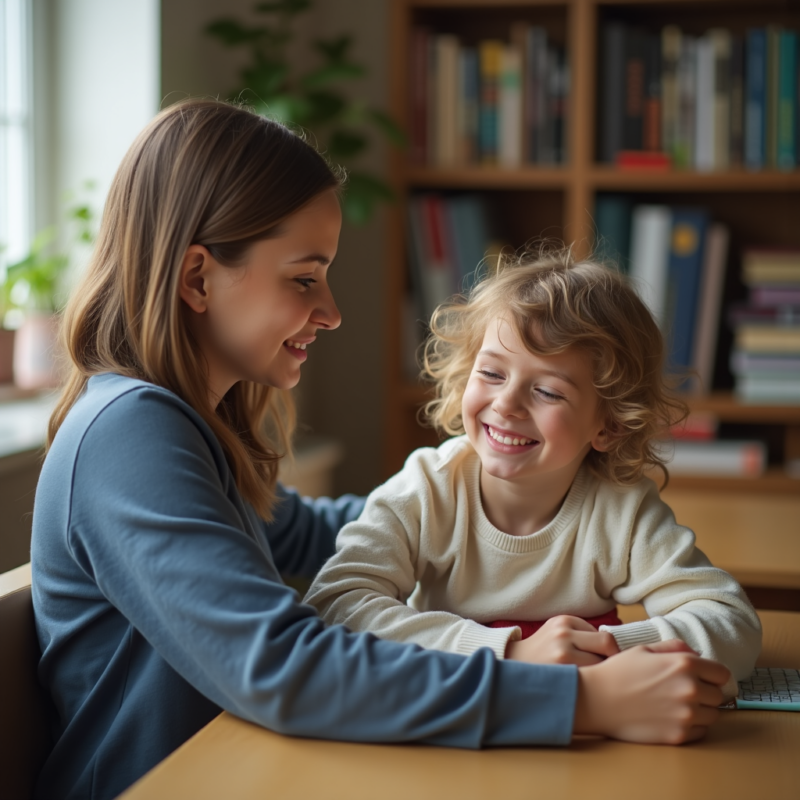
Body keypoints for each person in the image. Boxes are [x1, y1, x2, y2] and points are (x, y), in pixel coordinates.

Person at [32, 100, 731, 800]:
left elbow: (307, 534)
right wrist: (581, 699)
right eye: (304, 278)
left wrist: (492, 508)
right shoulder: (129, 434)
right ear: (197, 278)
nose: (332, 311)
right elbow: (279, 668)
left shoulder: (176, 426)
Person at [306, 247, 761, 697]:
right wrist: (508, 653)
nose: (506, 404)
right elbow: (335, 605)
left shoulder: (620, 509)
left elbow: (731, 624)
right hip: (451, 721)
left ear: (610, 424)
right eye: (491, 373)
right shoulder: (428, 487)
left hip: (584, 733)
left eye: (546, 391)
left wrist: (604, 650)